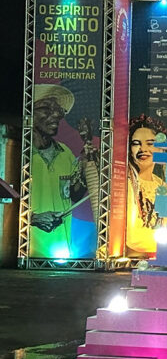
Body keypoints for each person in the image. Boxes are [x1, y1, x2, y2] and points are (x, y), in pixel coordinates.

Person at [28, 84, 99, 258]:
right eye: (46, 109)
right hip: (27, 252)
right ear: (29, 113)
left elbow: (74, 195)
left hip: (61, 251)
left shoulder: (65, 152)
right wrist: (32, 218)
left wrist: (86, 165)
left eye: (58, 110)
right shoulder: (17, 153)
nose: (56, 115)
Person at [125, 114, 167, 258]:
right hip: (134, 259)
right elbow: (133, 237)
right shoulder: (128, 183)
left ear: (161, 149)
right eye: (136, 143)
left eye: (150, 143)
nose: (143, 149)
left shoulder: (162, 184)